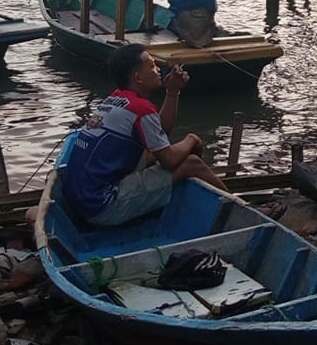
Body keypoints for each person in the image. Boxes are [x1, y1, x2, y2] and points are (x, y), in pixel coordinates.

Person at [61, 44, 227, 226]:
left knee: (151, 157)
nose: (157, 70)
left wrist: (172, 91)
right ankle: (239, 209)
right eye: (152, 66)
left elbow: (160, 134)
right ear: (138, 77)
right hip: (102, 206)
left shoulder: (114, 100)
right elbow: (169, 160)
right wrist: (192, 139)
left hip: (81, 201)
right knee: (191, 163)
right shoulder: (141, 109)